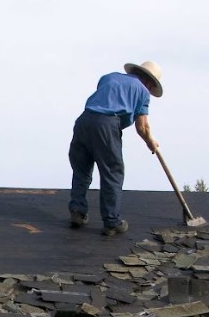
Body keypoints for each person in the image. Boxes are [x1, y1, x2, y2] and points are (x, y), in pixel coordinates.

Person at [67, 61, 163, 235]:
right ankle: (112, 221)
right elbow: (142, 127)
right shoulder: (142, 91)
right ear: (149, 82)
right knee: (113, 172)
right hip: (107, 125)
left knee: (81, 170)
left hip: (84, 121)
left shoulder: (108, 77)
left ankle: (77, 212)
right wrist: (150, 142)